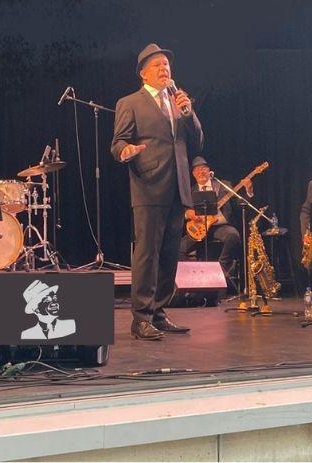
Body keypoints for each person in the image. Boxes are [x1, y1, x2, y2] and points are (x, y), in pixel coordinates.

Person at [111, 43, 204, 340]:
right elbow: (118, 143)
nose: (164, 69)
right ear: (143, 73)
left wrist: (188, 113)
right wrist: (126, 150)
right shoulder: (130, 103)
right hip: (149, 186)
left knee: (168, 256)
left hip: (177, 187)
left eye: (166, 64)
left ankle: (159, 313)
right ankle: (140, 318)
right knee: (147, 254)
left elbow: (198, 142)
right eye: (157, 65)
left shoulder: (179, 102)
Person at [179, 156, 252, 286]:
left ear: (209, 171)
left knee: (233, 236)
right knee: (179, 248)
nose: (201, 172)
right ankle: (190, 280)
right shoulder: (190, 191)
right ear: (193, 174)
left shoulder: (223, 185)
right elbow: (183, 211)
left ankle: (219, 270)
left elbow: (241, 203)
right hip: (199, 228)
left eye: (203, 169)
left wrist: (248, 190)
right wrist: (189, 214)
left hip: (220, 226)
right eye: (197, 170)